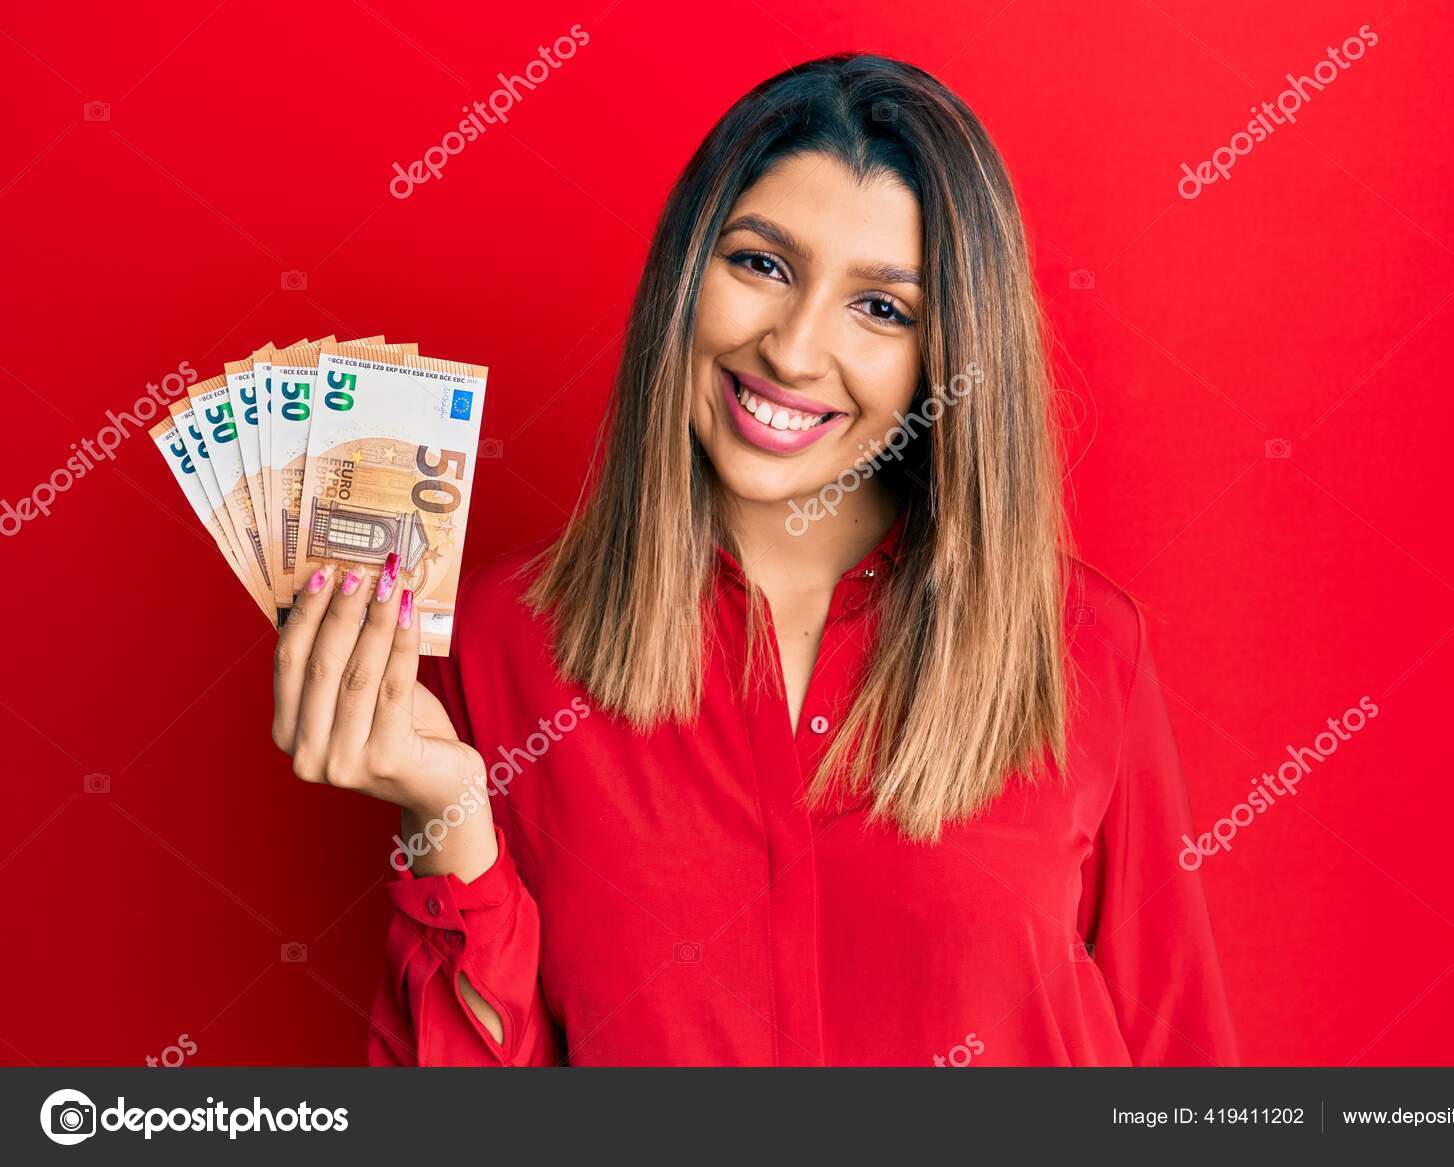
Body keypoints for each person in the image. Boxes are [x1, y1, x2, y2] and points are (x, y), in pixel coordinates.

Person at [271, 53, 1239, 1066]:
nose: (791, 349)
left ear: (946, 357)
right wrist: (447, 818)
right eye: (761, 265)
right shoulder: (510, 640)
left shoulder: (1085, 649)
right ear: (685, 277)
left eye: (883, 309)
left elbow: (1178, 1055)